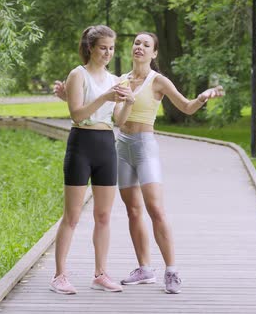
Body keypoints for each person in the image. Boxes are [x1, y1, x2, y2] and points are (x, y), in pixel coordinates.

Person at [54, 31, 224, 294]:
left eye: (146, 45)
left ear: (154, 53)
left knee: (154, 208)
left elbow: (187, 107)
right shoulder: (118, 80)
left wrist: (202, 98)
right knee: (132, 210)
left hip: (143, 147)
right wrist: (68, 96)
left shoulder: (158, 81)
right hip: (119, 146)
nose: (140, 47)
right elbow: (95, 101)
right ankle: (144, 268)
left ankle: (171, 270)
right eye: (136, 43)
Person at [49, 25, 134, 295]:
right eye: (103, 48)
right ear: (90, 48)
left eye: (111, 48)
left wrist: (128, 101)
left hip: (107, 145)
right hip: (81, 145)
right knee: (72, 216)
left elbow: (118, 121)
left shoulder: (117, 80)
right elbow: (77, 114)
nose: (108, 53)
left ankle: (100, 273)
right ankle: (59, 276)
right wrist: (104, 97)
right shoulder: (78, 74)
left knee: (104, 215)